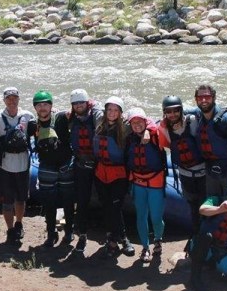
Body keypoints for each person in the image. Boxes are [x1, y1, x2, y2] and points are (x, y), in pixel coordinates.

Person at [193, 84, 227, 255]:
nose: (204, 100)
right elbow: (181, 111)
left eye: (207, 97)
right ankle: (213, 247)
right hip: (212, 171)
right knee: (213, 207)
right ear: (196, 100)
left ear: (214, 98)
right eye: (200, 97)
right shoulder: (198, 116)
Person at [27, 90, 74, 247]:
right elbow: (29, 144)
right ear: (35, 108)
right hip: (46, 166)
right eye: (39, 105)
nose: (42, 108)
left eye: (45, 104)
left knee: (68, 200)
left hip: (65, 165)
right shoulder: (33, 124)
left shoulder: (61, 118)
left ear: (51, 106)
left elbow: (81, 114)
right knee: (48, 202)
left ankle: (69, 231)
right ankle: (51, 233)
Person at [60, 89, 103, 254]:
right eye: (76, 103)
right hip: (81, 165)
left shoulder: (96, 114)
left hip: (98, 164)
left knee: (106, 200)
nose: (79, 106)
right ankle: (82, 235)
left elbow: (103, 117)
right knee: (82, 201)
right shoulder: (70, 118)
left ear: (87, 103)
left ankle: (114, 236)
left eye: (81, 103)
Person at [125, 107, 170, 263]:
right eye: (133, 122)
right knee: (141, 216)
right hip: (138, 182)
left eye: (140, 121)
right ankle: (145, 247)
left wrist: (149, 128)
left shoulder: (155, 134)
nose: (137, 125)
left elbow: (161, 122)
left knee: (156, 217)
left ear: (145, 121)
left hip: (155, 181)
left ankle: (158, 239)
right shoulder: (129, 138)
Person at [93, 96, 134, 257]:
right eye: (109, 109)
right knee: (107, 206)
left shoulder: (126, 127)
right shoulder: (99, 123)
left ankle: (120, 239)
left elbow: (147, 122)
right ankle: (113, 236)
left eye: (116, 110)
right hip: (101, 172)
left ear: (120, 113)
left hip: (118, 174)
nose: (112, 113)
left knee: (116, 206)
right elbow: (91, 105)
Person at [159, 95, 206, 234]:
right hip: (185, 175)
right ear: (165, 113)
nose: (172, 114)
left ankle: (208, 238)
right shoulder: (164, 129)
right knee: (193, 207)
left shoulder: (192, 121)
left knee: (206, 206)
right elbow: (167, 144)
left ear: (181, 110)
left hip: (202, 173)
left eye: (176, 110)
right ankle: (197, 237)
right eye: (169, 111)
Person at [0, 87, 34, 243]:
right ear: (4, 100)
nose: (12, 101)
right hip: (4, 165)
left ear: (19, 99)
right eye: (8, 98)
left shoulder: (28, 116)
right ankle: (10, 229)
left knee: (21, 199)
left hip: (23, 164)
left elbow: (45, 119)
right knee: (7, 201)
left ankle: (19, 224)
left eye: (14, 98)